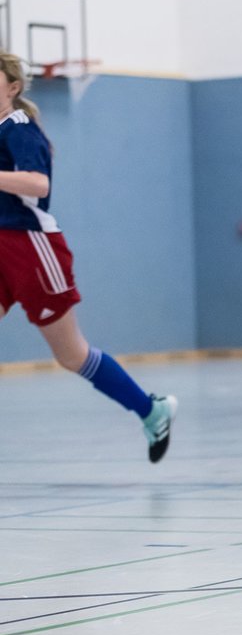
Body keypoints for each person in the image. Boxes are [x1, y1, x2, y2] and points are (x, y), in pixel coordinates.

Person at [0, 52, 176, 461]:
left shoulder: (19, 128)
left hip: (32, 249)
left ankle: (151, 410)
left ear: (12, 87)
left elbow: (38, 183)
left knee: (71, 354)